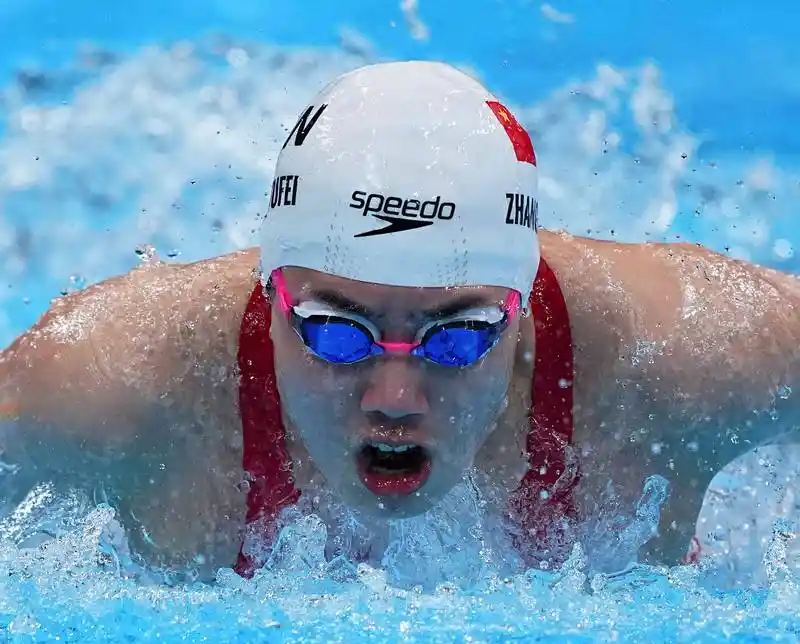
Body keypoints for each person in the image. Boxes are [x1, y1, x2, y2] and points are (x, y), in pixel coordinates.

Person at [1, 60, 797, 579]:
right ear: (271, 296)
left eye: (458, 337)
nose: (393, 396)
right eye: (334, 332)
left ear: (517, 318)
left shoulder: (675, 354)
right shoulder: (111, 385)